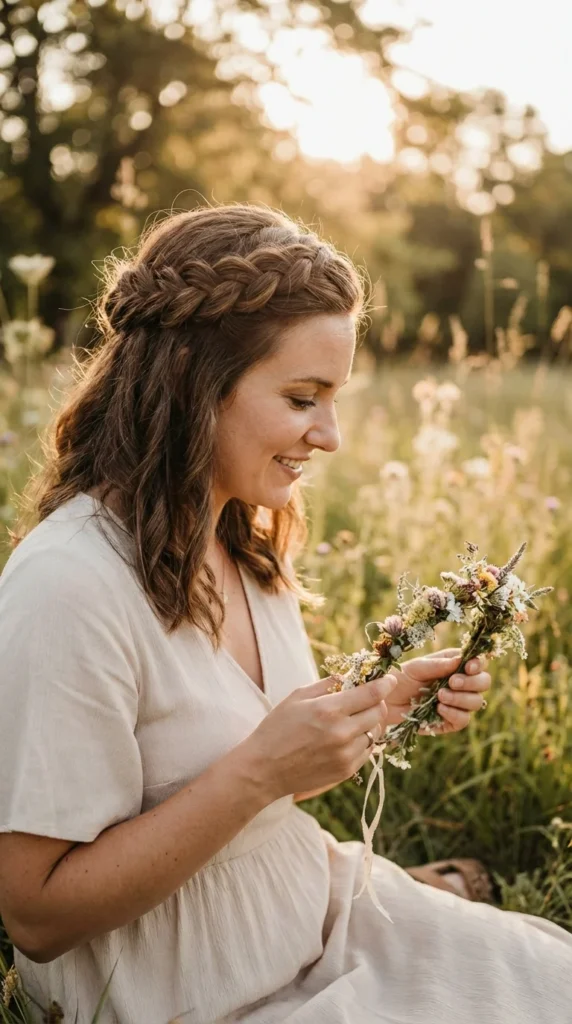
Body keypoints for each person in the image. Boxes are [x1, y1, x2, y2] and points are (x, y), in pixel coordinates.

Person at [0, 204, 569, 1024]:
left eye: (333, 399)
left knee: (549, 980)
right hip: (189, 989)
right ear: (194, 384)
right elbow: (36, 916)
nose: (330, 435)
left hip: (308, 911)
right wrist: (261, 770)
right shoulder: (67, 586)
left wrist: (378, 707)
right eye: (303, 397)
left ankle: (423, 893)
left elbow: (251, 766)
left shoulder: (244, 536)